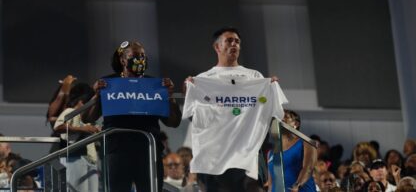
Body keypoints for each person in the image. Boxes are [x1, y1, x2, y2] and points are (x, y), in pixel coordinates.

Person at [183, 27, 286, 192]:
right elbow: (195, 119)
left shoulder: (255, 77)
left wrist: (271, 89)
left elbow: (275, 115)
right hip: (214, 157)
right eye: (229, 41)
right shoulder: (203, 80)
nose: (234, 44)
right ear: (217, 47)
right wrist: (189, 92)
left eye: (237, 41)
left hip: (247, 155)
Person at [82, 40, 182, 192]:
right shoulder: (109, 83)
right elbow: (87, 118)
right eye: (135, 56)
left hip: (148, 151)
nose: (140, 59)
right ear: (123, 60)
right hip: (117, 151)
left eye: (143, 56)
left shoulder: (155, 84)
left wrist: (170, 98)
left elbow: (173, 122)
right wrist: (96, 96)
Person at [53, 82, 100, 192]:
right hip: (75, 158)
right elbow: (58, 126)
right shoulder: (70, 111)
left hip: (89, 160)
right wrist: (84, 129)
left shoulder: (86, 119)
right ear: (81, 102)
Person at [269, 110, 317, 192]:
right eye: (280, 117)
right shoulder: (271, 151)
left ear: (296, 124)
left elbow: (308, 168)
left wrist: (297, 184)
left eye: (286, 117)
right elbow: (271, 181)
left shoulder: (306, 143)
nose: (281, 119)